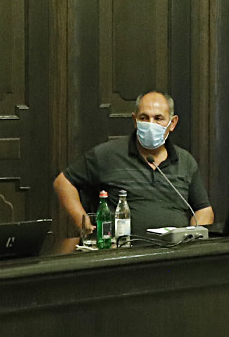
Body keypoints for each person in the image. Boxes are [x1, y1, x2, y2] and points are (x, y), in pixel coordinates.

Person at [54, 91, 214, 236]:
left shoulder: (185, 161)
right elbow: (63, 182)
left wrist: (193, 237)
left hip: (175, 251)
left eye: (158, 118)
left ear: (172, 123)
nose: (150, 124)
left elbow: (203, 209)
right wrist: (82, 222)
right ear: (135, 120)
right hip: (124, 251)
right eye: (144, 118)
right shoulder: (108, 154)